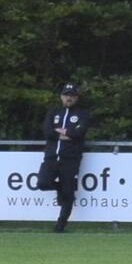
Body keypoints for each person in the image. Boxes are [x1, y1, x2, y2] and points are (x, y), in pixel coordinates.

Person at [39, 82, 91, 232]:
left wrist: (61, 133)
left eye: (72, 95)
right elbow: (47, 132)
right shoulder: (54, 113)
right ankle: (58, 188)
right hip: (51, 157)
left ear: (76, 98)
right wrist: (67, 133)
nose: (69, 98)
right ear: (61, 96)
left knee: (68, 192)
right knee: (42, 183)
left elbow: (79, 134)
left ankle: (60, 226)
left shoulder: (82, 114)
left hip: (70, 159)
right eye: (66, 95)